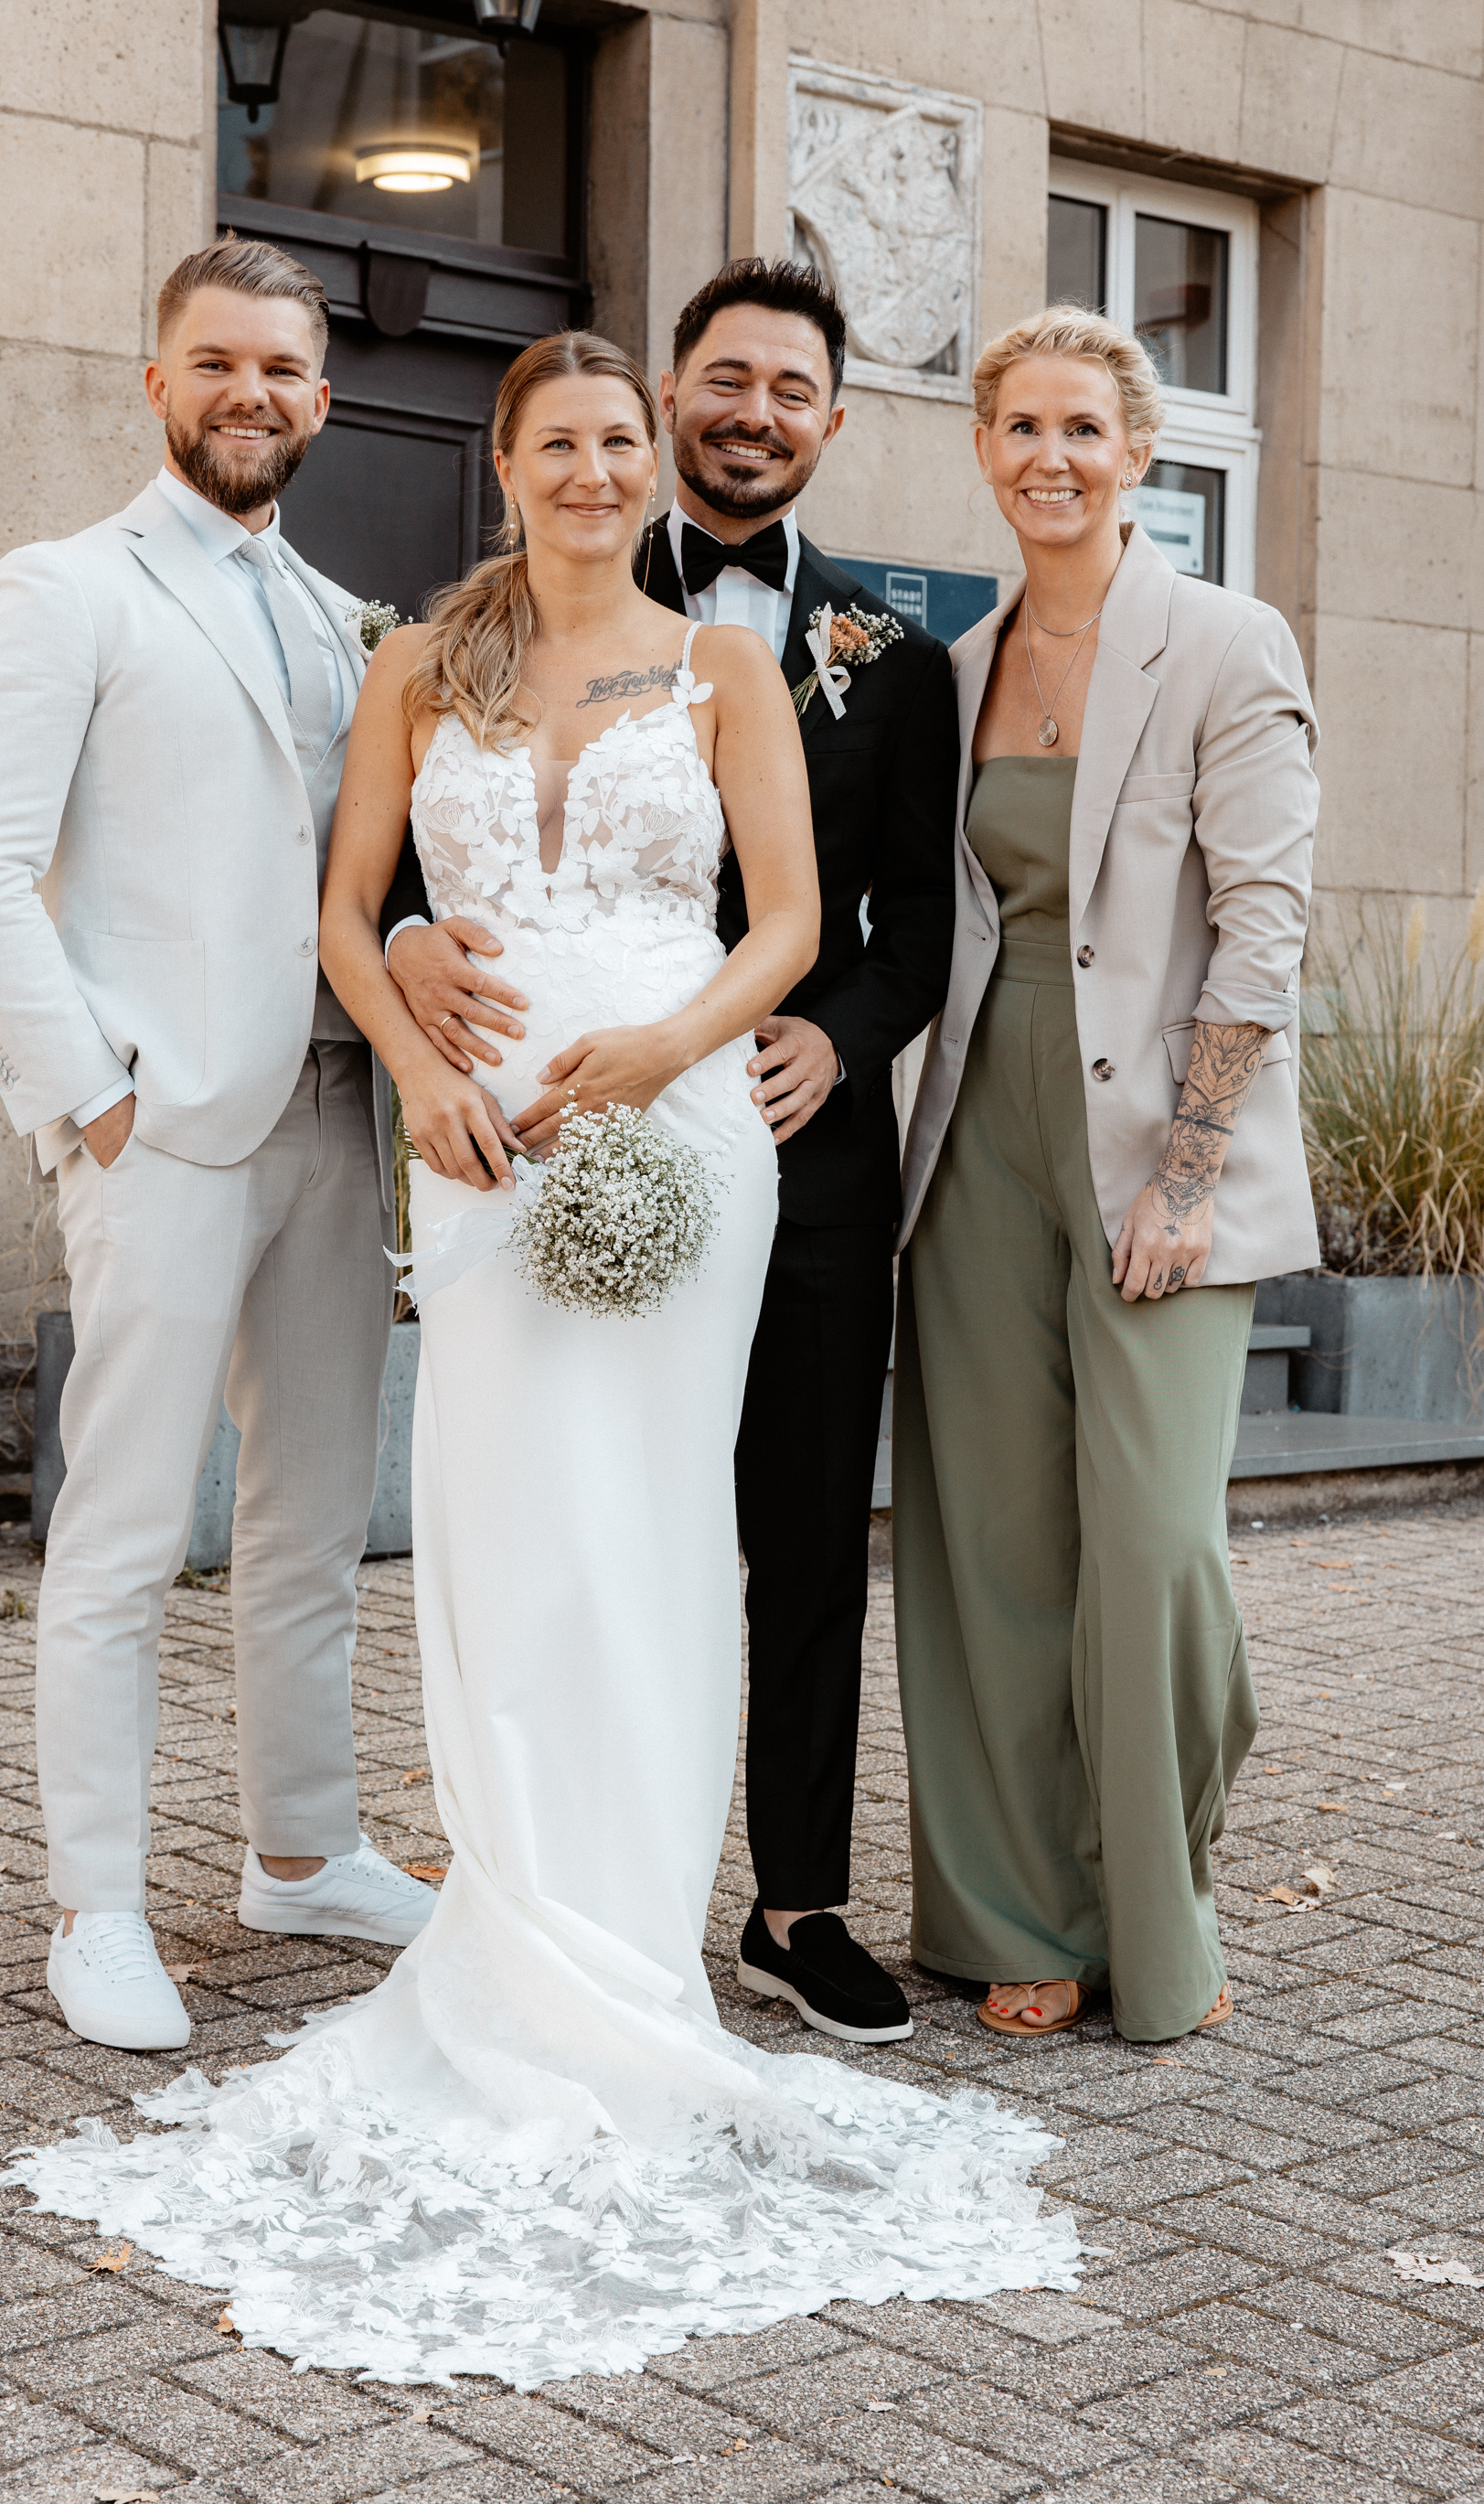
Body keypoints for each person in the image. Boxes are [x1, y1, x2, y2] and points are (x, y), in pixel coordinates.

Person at [0, 328, 1079, 2388]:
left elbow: (786, 923)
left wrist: (671, 1052)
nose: (593, 471)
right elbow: (348, 910)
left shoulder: (736, 670)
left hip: (676, 1127)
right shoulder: (418, 665)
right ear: (503, 466)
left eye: (613, 441)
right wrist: (416, 1070)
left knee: (657, 1536)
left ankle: (635, 1958)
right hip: (485, 1146)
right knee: (499, 1540)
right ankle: (508, 1937)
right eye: (558, 442)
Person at [379, 260, 959, 2044]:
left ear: (833, 421)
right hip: (538, 1123)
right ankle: (560, 1895)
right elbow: (424, 857)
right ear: (663, 407)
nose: (753, 413)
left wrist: (828, 1037)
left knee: (794, 1528)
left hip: (777, 1146)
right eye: (724, 379)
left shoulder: (891, 650)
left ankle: (794, 1905)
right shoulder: (514, 618)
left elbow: (907, 931)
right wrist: (404, 943)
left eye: (793, 389)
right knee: (567, 1515)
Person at [0, 238, 436, 2057]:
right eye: (218, 363)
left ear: (320, 395)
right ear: (160, 384)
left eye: (285, 369)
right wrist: (94, 1093)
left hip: (330, 1121)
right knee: (131, 1533)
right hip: (164, 1128)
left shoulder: (343, 617)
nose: (253, 394)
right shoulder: (66, 589)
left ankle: (302, 1848)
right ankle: (98, 1902)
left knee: (311, 1525)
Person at [892, 307, 1320, 2044]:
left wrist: (1189, 1165)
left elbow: (1265, 923)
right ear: (983, 450)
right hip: (978, 1136)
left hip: (1164, 1149)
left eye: (1084, 426)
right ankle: (1019, 1914)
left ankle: (1160, 1895)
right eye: (1018, 427)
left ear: (1137, 451)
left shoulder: (1222, 641)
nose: (1048, 457)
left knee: (1150, 1549)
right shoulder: (956, 661)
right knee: (990, 1539)